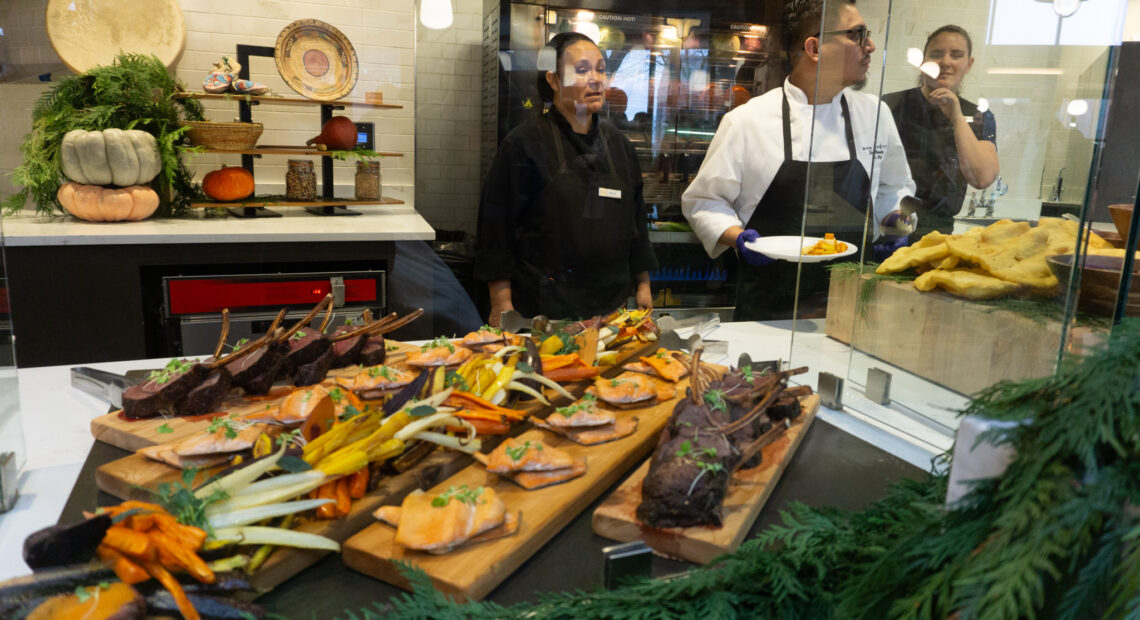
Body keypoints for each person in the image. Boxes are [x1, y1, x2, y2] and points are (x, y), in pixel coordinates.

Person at [682, 0, 916, 321]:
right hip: (767, 307)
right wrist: (739, 239)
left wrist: (897, 227)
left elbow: (898, 188)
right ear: (814, 48)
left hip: (852, 305)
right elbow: (704, 202)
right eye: (857, 35)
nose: (870, 46)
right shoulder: (747, 121)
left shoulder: (875, 115)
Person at [475, 32, 657, 326]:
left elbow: (636, 223)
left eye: (600, 68)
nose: (596, 79)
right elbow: (496, 232)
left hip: (612, 311)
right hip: (543, 312)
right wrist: (501, 303)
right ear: (554, 81)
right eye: (582, 70)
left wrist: (644, 285)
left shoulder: (620, 147)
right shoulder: (523, 144)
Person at [883, 25, 999, 242]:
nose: (945, 62)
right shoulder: (890, 105)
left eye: (956, 55)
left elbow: (982, 178)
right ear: (922, 62)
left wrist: (956, 116)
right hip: (885, 225)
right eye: (936, 54)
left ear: (968, 64)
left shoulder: (979, 116)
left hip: (937, 233)